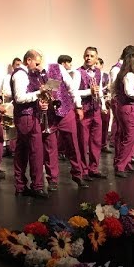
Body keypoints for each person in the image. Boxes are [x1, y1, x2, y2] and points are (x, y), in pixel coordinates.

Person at [40, 60, 88, 190]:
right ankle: (52, 179)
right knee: (50, 147)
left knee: (73, 144)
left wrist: (78, 106)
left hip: (65, 111)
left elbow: (71, 87)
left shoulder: (56, 68)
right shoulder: (30, 75)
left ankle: (78, 175)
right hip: (48, 116)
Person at [11, 49, 48, 198]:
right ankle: (37, 186)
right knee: (36, 151)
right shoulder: (20, 74)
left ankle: (20, 186)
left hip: (27, 116)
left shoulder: (28, 75)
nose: (38, 67)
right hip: (27, 117)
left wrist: (41, 102)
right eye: (37, 63)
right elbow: (20, 98)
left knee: (22, 151)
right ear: (28, 60)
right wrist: (38, 94)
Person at [73, 47, 106, 179]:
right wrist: (88, 92)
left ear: (96, 58)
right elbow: (74, 92)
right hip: (84, 110)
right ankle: (83, 170)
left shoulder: (99, 72)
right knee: (83, 141)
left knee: (96, 141)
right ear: (83, 56)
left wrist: (103, 104)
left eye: (92, 56)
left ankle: (94, 168)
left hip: (96, 109)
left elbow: (100, 90)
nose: (89, 58)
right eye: (87, 55)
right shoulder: (78, 72)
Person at [113, 53, 134, 178]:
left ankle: (125, 163)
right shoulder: (130, 75)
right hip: (129, 108)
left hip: (125, 108)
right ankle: (121, 166)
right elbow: (129, 92)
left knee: (126, 136)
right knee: (129, 138)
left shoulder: (123, 74)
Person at [96, 58, 112, 153]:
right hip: (95, 102)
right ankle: (93, 145)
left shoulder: (106, 75)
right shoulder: (91, 75)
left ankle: (103, 145)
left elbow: (109, 89)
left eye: (97, 63)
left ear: (102, 65)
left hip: (104, 102)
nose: (95, 65)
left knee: (105, 123)